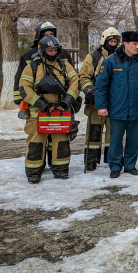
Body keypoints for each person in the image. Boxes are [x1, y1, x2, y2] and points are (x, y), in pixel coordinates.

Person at [18, 35, 80, 183]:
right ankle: (33, 172)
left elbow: (75, 83)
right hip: (38, 114)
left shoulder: (65, 66)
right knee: (36, 143)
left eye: (55, 50)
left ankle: (61, 170)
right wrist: (42, 105)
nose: (52, 53)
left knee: (61, 142)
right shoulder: (32, 67)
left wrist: (65, 103)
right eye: (49, 50)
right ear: (42, 51)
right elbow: (24, 88)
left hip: (60, 112)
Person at [94, 31, 138, 178]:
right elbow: (101, 86)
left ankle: (130, 165)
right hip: (117, 107)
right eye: (134, 44)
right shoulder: (110, 61)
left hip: (136, 107)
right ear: (125, 44)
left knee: (133, 139)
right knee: (116, 139)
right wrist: (101, 106)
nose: (137, 47)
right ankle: (115, 166)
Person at [78, 27, 121, 171]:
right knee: (94, 131)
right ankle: (91, 160)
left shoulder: (121, 57)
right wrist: (90, 91)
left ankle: (112, 158)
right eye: (111, 41)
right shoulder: (93, 57)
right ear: (104, 41)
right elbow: (83, 77)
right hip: (96, 101)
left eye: (116, 41)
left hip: (115, 101)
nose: (113, 44)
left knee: (113, 132)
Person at [13, 21, 75, 104]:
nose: (53, 53)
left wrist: (68, 100)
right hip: (35, 101)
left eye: (51, 34)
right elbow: (21, 78)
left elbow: (73, 78)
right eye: (46, 34)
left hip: (61, 101)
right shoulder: (29, 55)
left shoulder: (63, 53)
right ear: (39, 35)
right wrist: (18, 99)